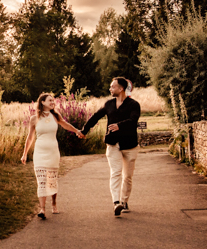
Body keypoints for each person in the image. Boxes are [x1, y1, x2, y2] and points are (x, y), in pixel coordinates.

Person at [82, 77, 141, 217]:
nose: (110, 89)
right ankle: (116, 203)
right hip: (113, 144)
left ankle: (124, 201)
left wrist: (119, 126)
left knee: (128, 176)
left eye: (112, 86)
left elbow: (134, 120)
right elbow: (96, 117)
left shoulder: (134, 104)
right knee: (116, 172)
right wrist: (84, 131)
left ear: (121, 88)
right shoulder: (109, 104)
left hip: (130, 145)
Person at [21, 93, 84, 219]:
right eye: (50, 100)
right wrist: (24, 154)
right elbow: (30, 137)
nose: (53, 102)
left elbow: (65, 124)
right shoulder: (34, 118)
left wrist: (77, 131)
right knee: (41, 180)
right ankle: (42, 209)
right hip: (39, 153)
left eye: (53, 100)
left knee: (52, 180)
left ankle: (54, 203)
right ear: (42, 102)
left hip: (53, 152)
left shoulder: (55, 116)